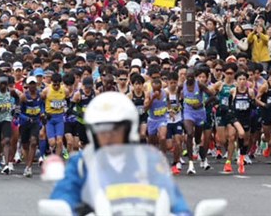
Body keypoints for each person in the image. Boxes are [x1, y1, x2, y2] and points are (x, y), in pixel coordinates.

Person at [50, 92, 191, 216]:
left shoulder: (148, 161)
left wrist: (182, 213)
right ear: (92, 132)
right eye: (102, 130)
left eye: (116, 129)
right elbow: (63, 197)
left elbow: (173, 198)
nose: (109, 135)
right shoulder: (81, 164)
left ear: (129, 129)